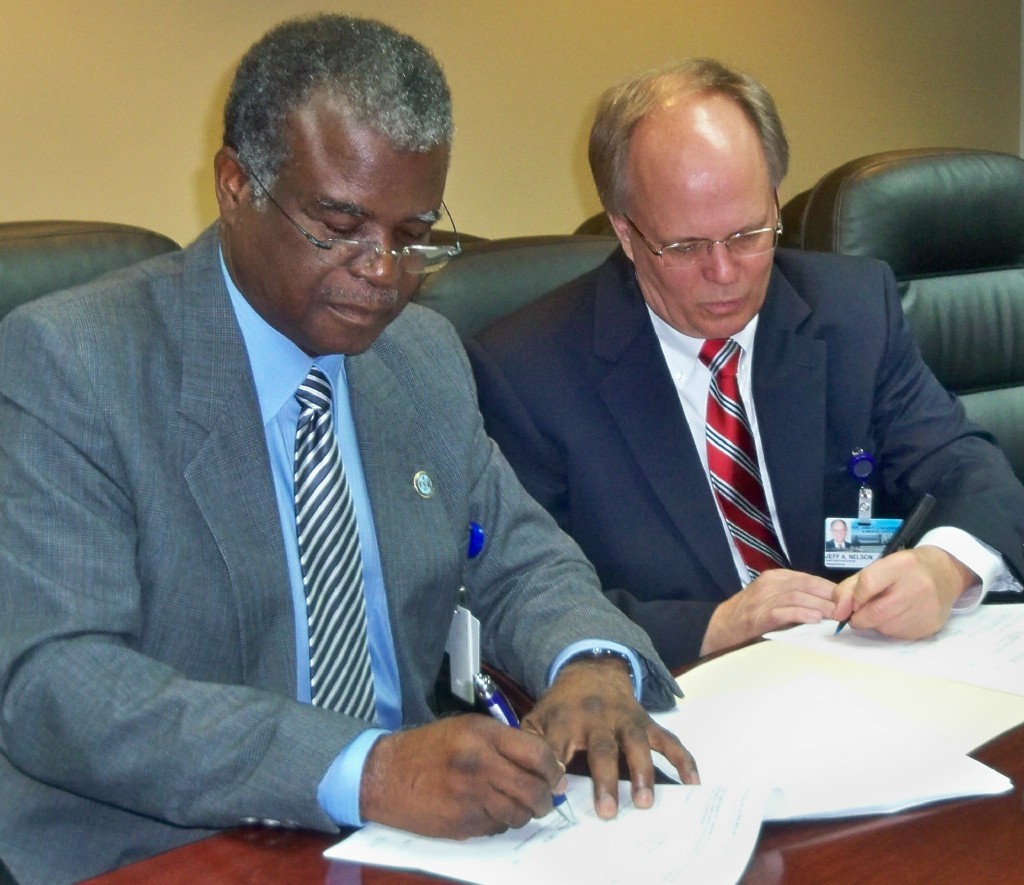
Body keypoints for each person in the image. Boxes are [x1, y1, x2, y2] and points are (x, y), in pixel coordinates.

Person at [0, 17, 697, 885]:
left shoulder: (422, 357)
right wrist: (361, 768)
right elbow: (59, 683)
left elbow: (515, 555)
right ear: (235, 185)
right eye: (339, 223)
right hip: (165, 851)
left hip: (397, 848)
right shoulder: (76, 362)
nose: (382, 271)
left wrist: (588, 659)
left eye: (411, 234)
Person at [469, 58, 1024, 670]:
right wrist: (716, 624)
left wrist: (946, 567)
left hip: (873, 674)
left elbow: (968, 466)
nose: (725, 272)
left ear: (776, 200)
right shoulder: (525, 373)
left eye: (748, 234)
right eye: (685, 247)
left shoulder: (852, 311)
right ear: (626, 233)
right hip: (688, 699)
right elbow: (516, 599)